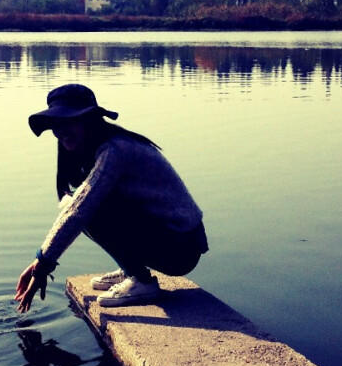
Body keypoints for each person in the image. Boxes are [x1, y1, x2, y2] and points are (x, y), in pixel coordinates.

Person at [15, 84, 208, 313]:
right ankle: (131, 268)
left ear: (90, 120)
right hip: (170, 238)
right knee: (77, 201)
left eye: (69, 122)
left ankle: (142, 281)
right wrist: (43, 260)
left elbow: (80, 211)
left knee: (86, 208)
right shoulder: (98, 147)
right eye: (56, 124)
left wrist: (42, 264)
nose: (61, 131)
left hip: (181, 248)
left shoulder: (115, 150)